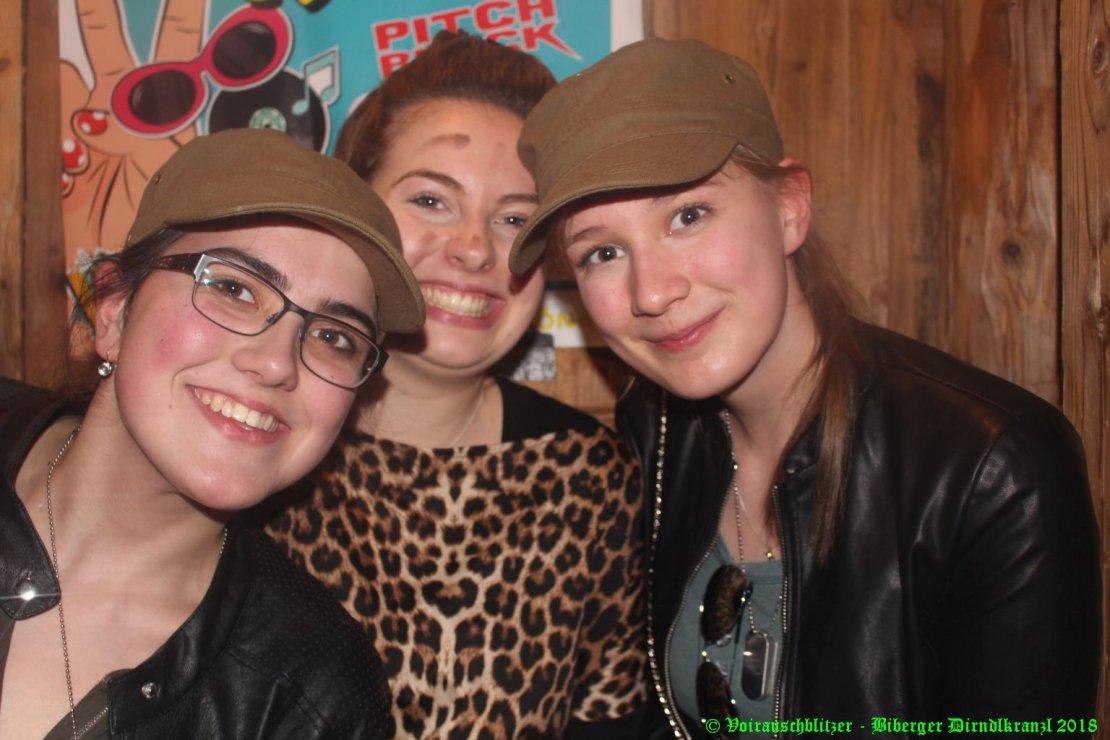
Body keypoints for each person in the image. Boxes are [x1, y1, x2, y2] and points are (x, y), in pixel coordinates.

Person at [508, 37, 1100, 738]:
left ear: (789, 208)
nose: (653, 292)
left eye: (688, 216)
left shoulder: (994, 469)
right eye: (603, 252)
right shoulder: (657, 427)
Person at [260, 31, 648, 738]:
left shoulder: (593, 481)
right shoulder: (255, 449)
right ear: (355, 212)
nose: (474, 247)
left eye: (515, 219)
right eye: (432, 200)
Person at [0, 127, 425, 739]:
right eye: (233, 289)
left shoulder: (314, 691)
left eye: (334, 337)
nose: (276, 364)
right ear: (114, 310)